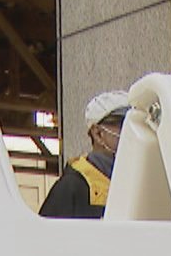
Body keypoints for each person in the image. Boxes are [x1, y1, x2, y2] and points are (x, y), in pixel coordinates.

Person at [40, 90, 129, 218]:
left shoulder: (137, 183)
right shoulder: (71, 188)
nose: (130, 133)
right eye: (123, 125)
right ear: (97, 133)